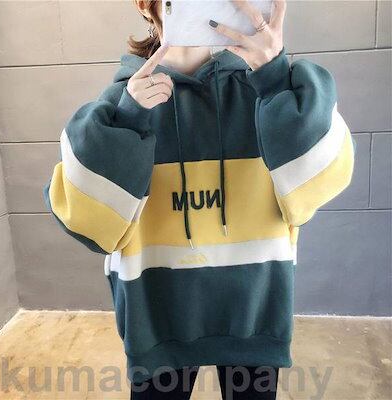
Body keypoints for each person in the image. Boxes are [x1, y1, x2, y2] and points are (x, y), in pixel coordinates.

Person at [42, 0, 356, 398]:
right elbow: (86, 221)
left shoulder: (267, 89)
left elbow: (321, 181)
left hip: (254, 314)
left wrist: (276, 79)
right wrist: (127, 122)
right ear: (150, 9)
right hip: (159, 320)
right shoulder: (122, 105)